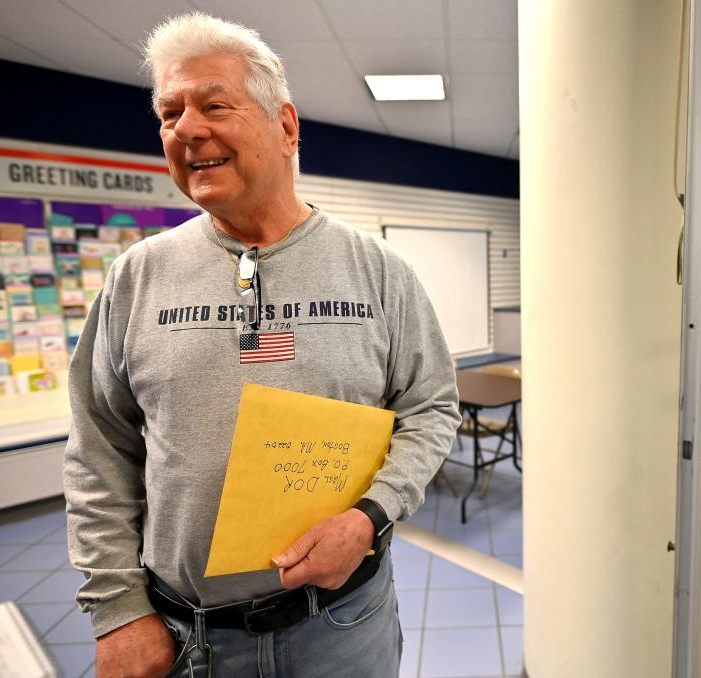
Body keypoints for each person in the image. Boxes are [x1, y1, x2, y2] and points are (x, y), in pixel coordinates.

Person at [62, 13, 460, 677]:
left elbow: (431, 408)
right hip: (188, 636)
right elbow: (98, 447)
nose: (186, 129)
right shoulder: (138, 276)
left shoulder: (377, 270)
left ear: (286, 127)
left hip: (342, 625)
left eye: (214, 104)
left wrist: (369, 516)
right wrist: (117, 608)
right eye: (169, 113)